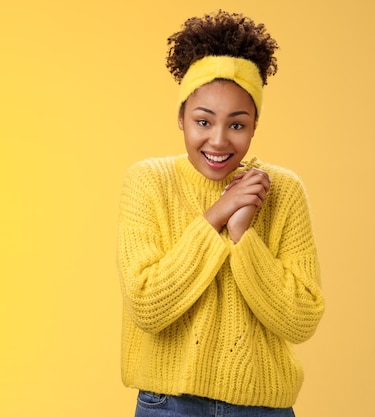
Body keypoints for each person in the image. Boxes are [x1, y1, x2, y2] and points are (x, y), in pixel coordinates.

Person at [117, 10, 325, 417]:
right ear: (181, 118)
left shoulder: (282, 190)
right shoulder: (148, 181)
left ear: (255, 125)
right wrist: (218, 215)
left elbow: (301, 320)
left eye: (237, 125)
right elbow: (146, 305)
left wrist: (244, 236)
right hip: (170, 404)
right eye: (202, 121)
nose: (218, 139)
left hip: (263, 407)